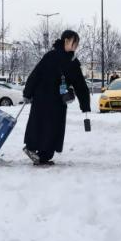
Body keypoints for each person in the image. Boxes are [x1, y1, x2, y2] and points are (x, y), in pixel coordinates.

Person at [22, 30, 91, 165]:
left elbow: (80, 84)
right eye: (74, 42)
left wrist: (85, 104)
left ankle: (44, 156)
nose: (75, 46)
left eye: (77, 43)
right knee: (40, 125)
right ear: (66, 41)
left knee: (53, 128)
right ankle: (31, 148)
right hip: (43, 98)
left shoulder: (72, 61)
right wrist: (27, 93)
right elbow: (36, 74)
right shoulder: (51, 56)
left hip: (58, 101)